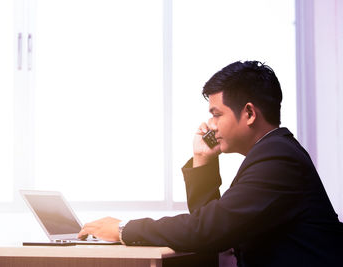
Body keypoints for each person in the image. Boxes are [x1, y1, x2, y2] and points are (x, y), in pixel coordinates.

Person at [78, 61, 343, 266]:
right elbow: (215, 229)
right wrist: (203, 160)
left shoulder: (278, 159)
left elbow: (210, 230)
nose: (210, 126)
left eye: (217, 115)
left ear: (249, 113)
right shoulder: (273, 153)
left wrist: (126, 229)